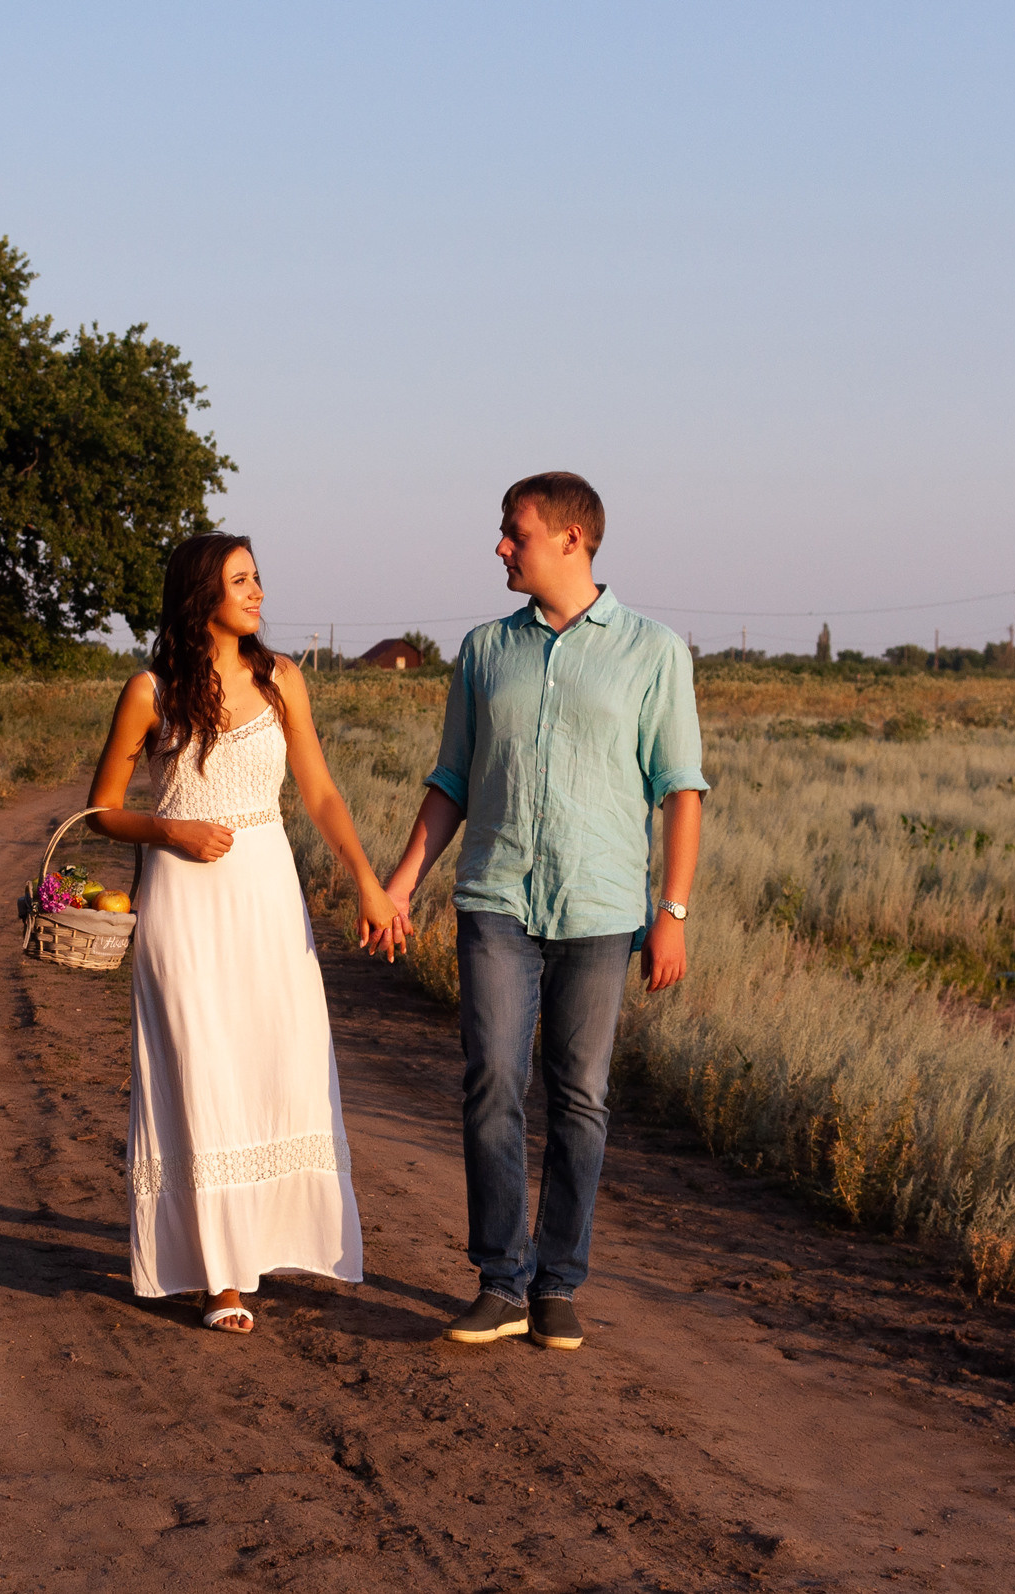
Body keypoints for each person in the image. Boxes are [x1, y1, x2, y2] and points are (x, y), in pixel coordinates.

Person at [381, 472, 706, 1350]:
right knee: (491, 1080)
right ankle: (501, 1280)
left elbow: (681, 790)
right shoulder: (486, 650)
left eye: (512, 532)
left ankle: (559, 1283)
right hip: (496, 894)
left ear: (571, 539)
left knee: (582, 1098)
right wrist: (406, 878)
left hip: (601, 907)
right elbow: (451, 777)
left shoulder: (653, 651)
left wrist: (670, 911)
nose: (499, 546)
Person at [84, 533, 404, 1333]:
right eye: (240, 580)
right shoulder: (150, 692)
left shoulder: (282, 678)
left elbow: (322, 794)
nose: (258, 591)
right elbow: (102, 809)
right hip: (184, 903)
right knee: (202, 1069)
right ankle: (222, 1278)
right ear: (202, 595)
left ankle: (272, 1239)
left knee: (277, 1060)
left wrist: (368, 883)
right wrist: (169, 832)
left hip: (266, 892)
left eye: (258, 577)